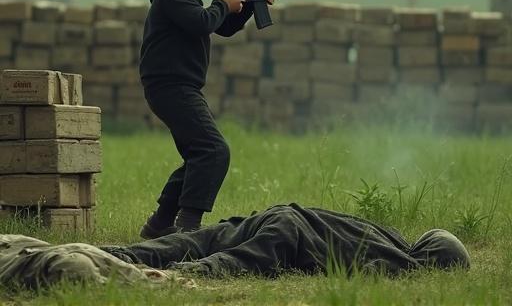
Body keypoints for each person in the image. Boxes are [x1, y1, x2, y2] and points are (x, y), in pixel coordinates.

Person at [138, 0, 278, 239]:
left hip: (177, 85)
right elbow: (204, 21)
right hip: (171, 86)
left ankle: (159, 224)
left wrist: (247, 6)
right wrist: (222, 1)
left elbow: (221, 26)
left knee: (198, 154)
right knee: (214, 151)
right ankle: (188, 230)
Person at [0, 204, 470, 289]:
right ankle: (73, 263)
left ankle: (92, 250)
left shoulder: (389, 236)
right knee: (204, 268)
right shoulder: (397, 264)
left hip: (274, 216)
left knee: (172, 246)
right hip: (285, 236)